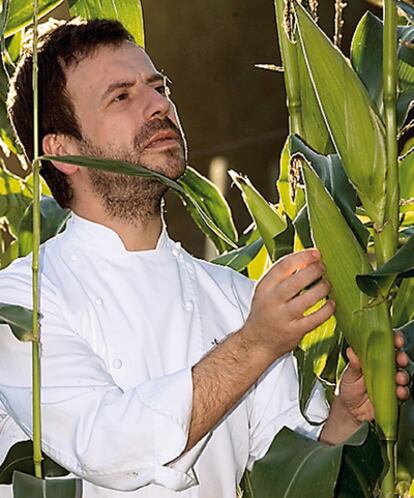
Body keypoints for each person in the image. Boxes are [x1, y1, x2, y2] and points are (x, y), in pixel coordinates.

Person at [0, 18, 409, 498]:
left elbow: (294, 464)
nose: (159, 105)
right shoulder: (22, 301)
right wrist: (256, 344)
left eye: (159, 86)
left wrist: (346, 414)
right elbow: (107, 445)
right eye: (122, 96)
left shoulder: (234, 296)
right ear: (63, 151)